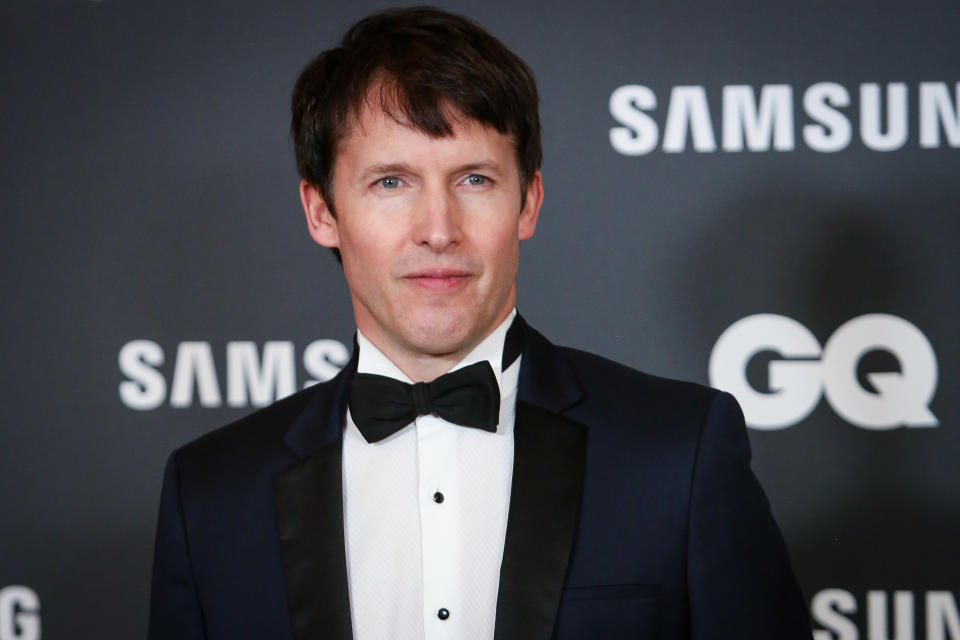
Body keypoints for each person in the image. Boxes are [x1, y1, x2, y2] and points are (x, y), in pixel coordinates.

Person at [148, 7, 813, 639]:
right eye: (391, 183)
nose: (438, 230)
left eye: (473, 180)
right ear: (322, 212)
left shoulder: (678, 456)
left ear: (529, 202)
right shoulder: (211, 498)